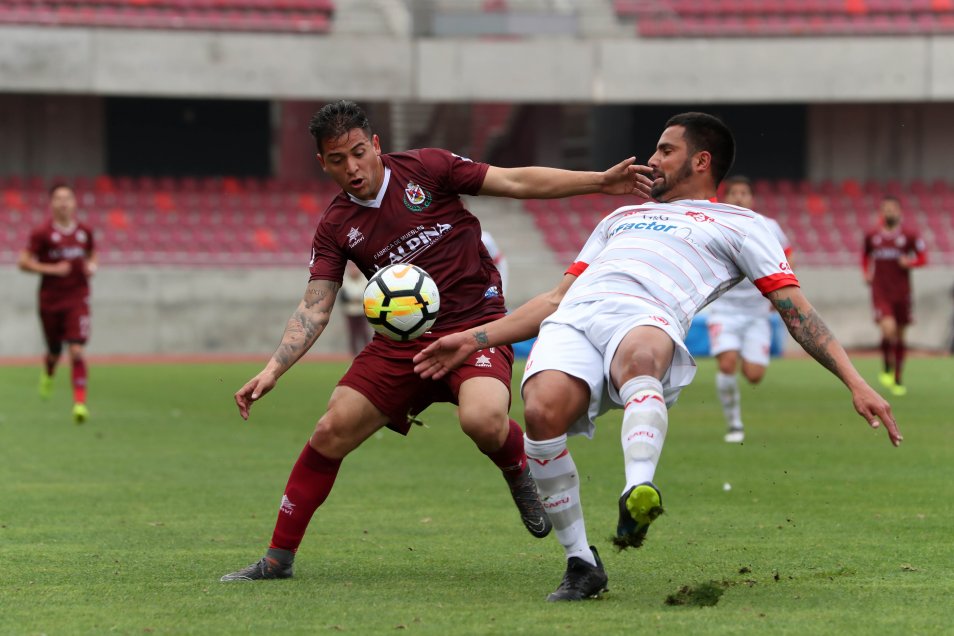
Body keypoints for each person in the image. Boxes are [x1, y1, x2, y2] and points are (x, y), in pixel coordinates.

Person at [414, 112, 902, 602]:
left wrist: (855, 381)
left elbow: (796, 311)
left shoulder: (744, 224)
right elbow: (557, 298)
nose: (652, 159)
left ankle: (638, 490)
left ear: (701, 160)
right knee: (541, 412)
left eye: (666, 149)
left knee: (641, 359)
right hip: (576, 318)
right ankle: (582, 561)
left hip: (648, 312)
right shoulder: (618, 218)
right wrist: (476, 338)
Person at [220, 100, 654, 582]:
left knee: (484, 421)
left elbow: (512, 181)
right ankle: (278, 558)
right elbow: (316, 305)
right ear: (323, 163)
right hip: (401, 344)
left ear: (375, 145)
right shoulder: (337, 225)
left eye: (359, 152)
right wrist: (273, 369)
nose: (353, 167)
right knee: (329, 431)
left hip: (474, 326)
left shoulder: (427, 169)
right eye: (338, 160)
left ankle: (518, 469)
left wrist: (598, 181)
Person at [705, 175, 793, 443]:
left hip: (757, 313)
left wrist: (782, 296)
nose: (740, 197)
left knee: (754, 375)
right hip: (725, 310)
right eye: (735, 193)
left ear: (752, 199)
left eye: (745, 193)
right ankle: (734, 424)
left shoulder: (769, 227)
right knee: (727, 363)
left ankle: (743, 352)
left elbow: (786, 258)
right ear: (725, 197)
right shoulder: (714, 225)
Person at [17, 184, 97, 424]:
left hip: (77, 298)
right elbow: (23, 263)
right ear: (51, 203)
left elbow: (93, 253)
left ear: (74, 202)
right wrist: (52, 268)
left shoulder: (84, 232)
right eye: (58, 198)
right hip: (50, 301)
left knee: (76, 350)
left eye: (68, 198)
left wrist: (92, 265)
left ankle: (79, 404)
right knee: (54, 351)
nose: (63, 203)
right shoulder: (41, 233)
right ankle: (49, 371)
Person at [862, 196, 927, 396]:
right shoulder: (872, 235)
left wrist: (911, 263)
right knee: (888, 329)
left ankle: (897, 377)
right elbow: (865, 255)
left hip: (902, 292)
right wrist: (866, 272)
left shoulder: (909, 236)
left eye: (893, 209)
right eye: (886, 209)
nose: (889, 213)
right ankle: (886, 366)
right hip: (881, 291)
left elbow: (923, 258)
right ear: (882, 213)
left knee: (900, 335)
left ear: (899, 212)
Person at [338, 261, 372, 356]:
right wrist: (355, 299)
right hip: (350, 311)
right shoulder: (345, 281)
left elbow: (369, 295)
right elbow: (343, 298)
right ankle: (354, 353)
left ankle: (367, 352)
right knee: (353, 333)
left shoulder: (364, 280)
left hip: (362, 311)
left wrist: (356, 299)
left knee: (364, 332)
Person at [481, 230, 509, 298]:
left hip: (498, 266)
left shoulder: (485, 239)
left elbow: (496, 260)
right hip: (485, 267)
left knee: (497, 296)